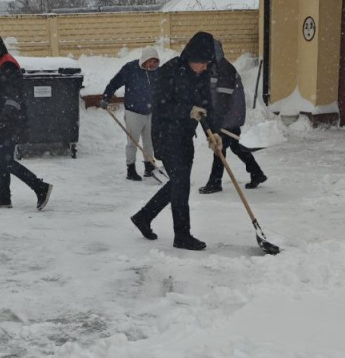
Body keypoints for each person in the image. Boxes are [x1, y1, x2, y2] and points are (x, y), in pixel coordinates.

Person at [130, 31, 221, 252]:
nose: (206, 68)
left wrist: (213, 133)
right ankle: (182, 235)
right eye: (203, 63)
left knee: (179, 183)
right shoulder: (169, 72)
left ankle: (144, 216)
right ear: (193, 57)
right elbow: (161, 107)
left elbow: (206, 106)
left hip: (184, 136)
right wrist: (188, 110)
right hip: (165, 135)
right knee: (180, 183)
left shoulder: (201, 75)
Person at [0, 29, 52, 211]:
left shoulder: (7, 64)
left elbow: (14, 93)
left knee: (4, 159)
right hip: (2, 122)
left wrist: (6, 114)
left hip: (11, 122)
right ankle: (4, 196)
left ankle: (40, 187)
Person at [199, 39, 267, 194]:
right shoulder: (213, 67)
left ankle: (215, 183)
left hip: (229, 116)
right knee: (236, 146)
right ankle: (257, 173)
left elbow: (223, 100)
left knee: (219, 149)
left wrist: (215, 123)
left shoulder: (225, 70)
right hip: (226, 116)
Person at [99, 46, 160, 180]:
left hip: (150, 112)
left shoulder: (156, 72)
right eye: (151, 61)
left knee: (149, 141)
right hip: (134, 112)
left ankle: (149, 167)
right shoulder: (131, 69)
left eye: (155, 62)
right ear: (144, 59)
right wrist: (106, 97)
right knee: (132, 141)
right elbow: (115, 82)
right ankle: (130, 169)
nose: (153, 64)